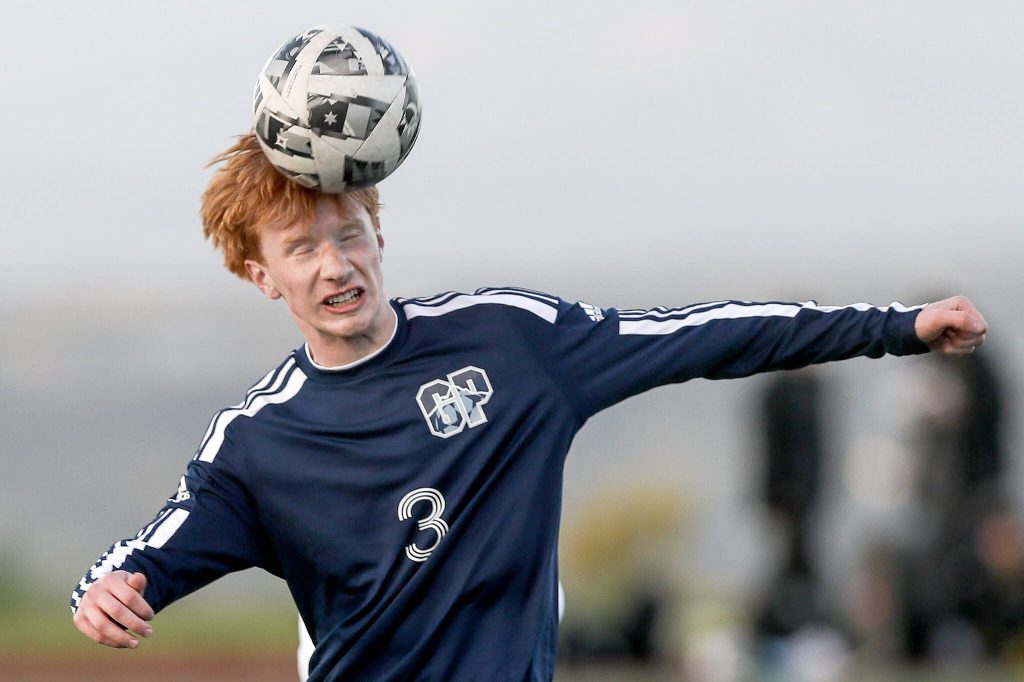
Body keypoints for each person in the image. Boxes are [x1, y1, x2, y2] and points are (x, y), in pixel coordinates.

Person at [69, 133, 988, 681]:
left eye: (348, 233)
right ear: (258, 274)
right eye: (301, 248)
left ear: (378, 231)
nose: (335, 264)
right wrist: (105, 592)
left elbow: (704, 334)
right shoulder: (258, 446)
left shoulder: (510, 345)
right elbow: (144, 558)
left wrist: (897, 327)